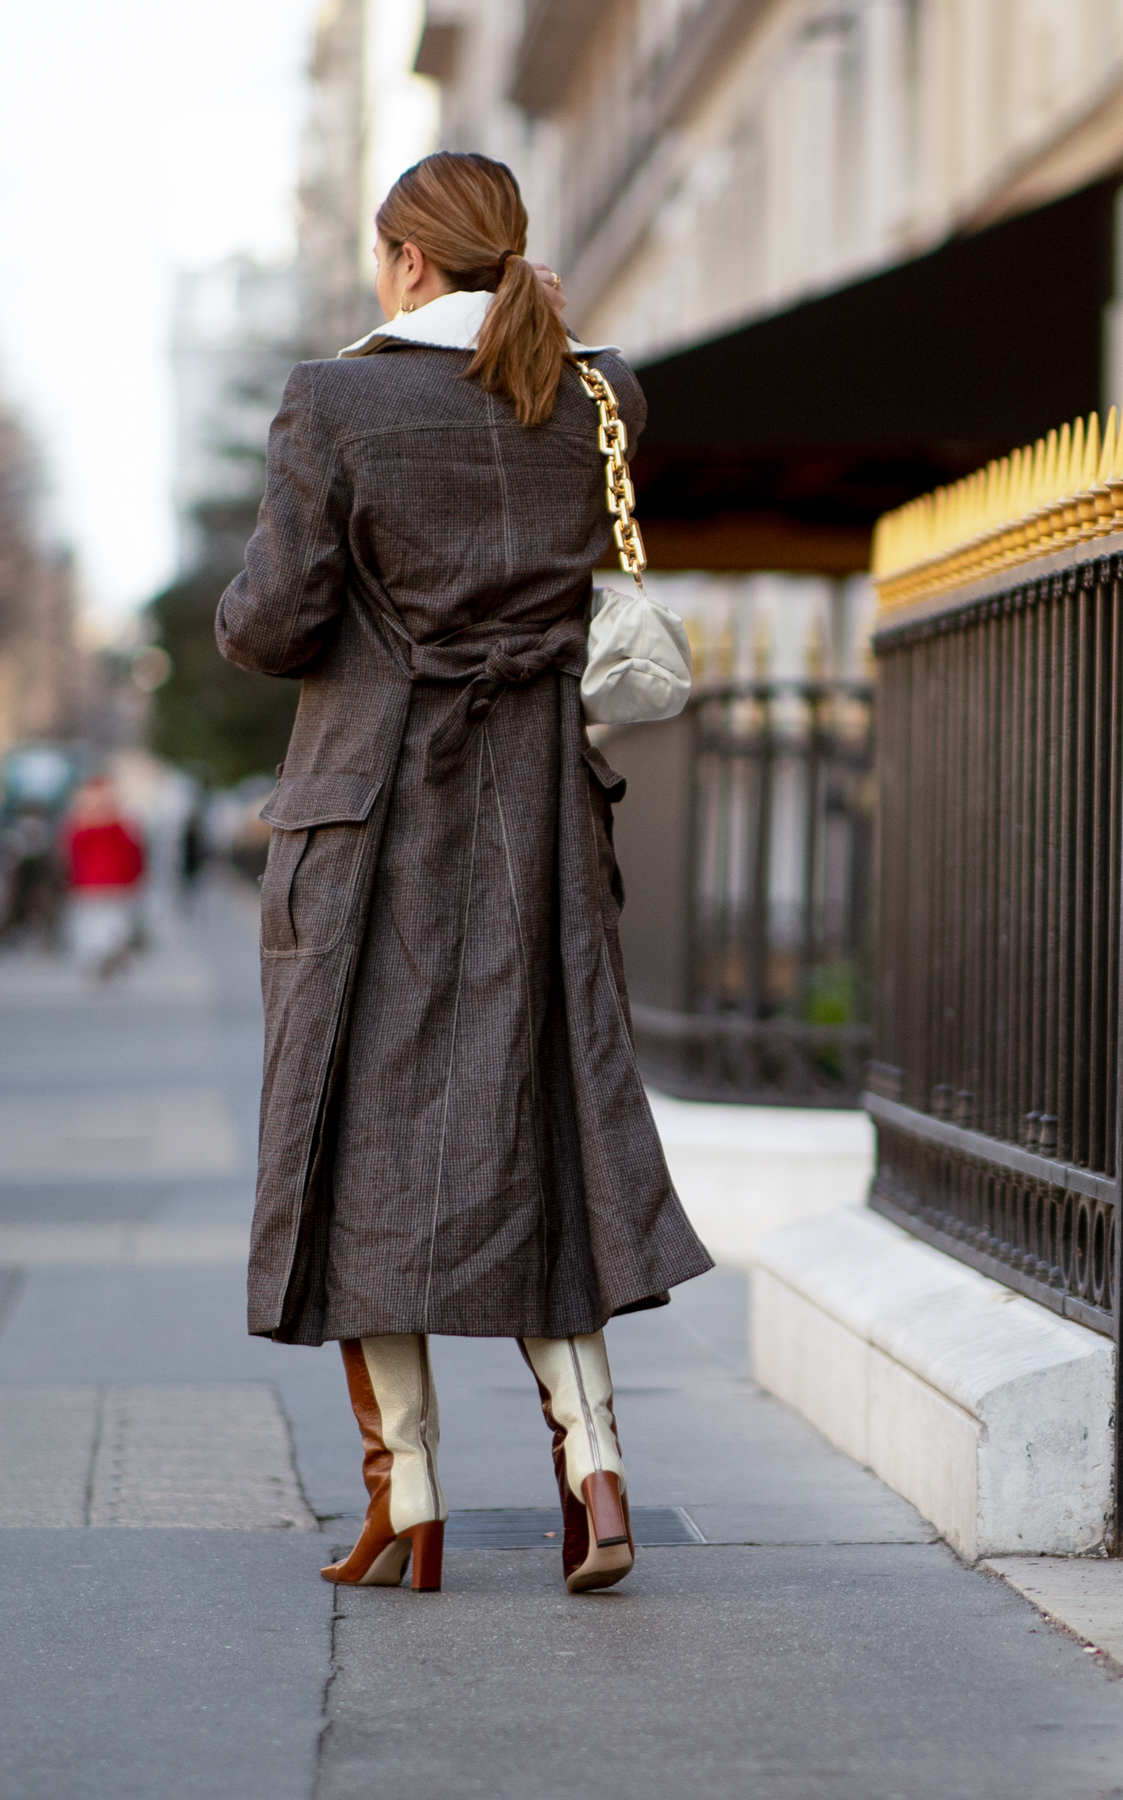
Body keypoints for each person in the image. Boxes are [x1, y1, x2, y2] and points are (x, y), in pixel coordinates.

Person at [217, 152, 711, 1596]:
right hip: (538, 807)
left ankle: (410, 1497)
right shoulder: (595, 390)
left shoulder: (335, 397)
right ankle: (597, 1472)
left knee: (362, 1130)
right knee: (543, 1114)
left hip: (373, 812)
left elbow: (272, 620)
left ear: (409, 261)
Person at [60, 778, 145, 981]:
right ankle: (111, 951)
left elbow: (69, 855)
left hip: (88, 883)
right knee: (114, 923)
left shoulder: (79, 822)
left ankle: (98, 956)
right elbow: (135, 852)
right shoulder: (122, 821)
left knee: (91, 925)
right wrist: (136, 877)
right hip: (117, 882)